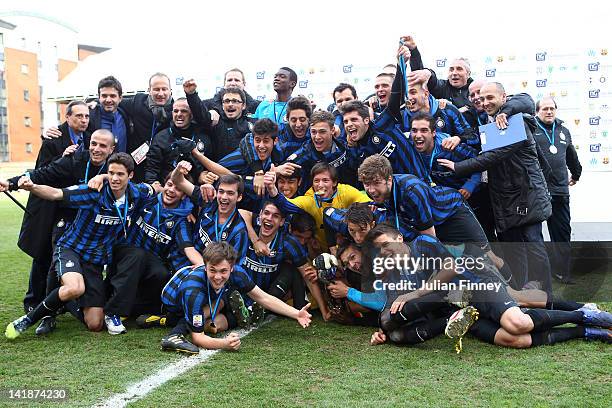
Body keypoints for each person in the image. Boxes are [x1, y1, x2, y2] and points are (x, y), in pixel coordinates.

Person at [5, 153, 155, 339]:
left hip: (95, 259)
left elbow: (156, 188)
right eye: (111, 173)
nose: (115, 178)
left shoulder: (136, 192)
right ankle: (28, 319)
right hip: (72, 249)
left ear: (130, 175)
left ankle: (65, 301)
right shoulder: (93, 192)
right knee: (75, 288)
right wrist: (32, 187)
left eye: (120, 174)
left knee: (95, 324)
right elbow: (55, 193)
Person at [437, 82, 553, 293]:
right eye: (482, 98)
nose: (486, 102)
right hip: (506, 198)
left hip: (526, 196)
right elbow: (471, 133)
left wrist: (458, 167)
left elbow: (494, 155)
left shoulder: (514, 120)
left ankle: (548, 299)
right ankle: (521, 297)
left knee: (533, 246)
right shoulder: (486, 118)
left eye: (491, 98)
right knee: (515, 251)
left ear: (504, 97)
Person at [2, 130, 116, 333]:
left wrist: (106, 176)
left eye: (102, 146)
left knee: (95, 321)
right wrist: (11, 183)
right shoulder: (75, 159)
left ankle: (71, 301)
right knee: (57, 257)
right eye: (94, 144)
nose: (97, 149)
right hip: (68, 218)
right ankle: (47, 315)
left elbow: (129, 179)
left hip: (95, 227)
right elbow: (43, 173)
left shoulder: (115, 166)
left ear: (111, 149)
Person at [158, 242, 311, 354]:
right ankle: (170, 326)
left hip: (211, 295)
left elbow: (263, 298)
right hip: (175, 305)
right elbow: (197, 338)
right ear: (205, 266)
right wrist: (224, 343)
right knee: (207, 319)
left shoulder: (237, 272)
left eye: (223, 271)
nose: (218, 276)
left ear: (232, 268)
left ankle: (235, 309)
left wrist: (296, 313)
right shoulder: (193, 290)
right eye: (212, 270)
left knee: (221, 309)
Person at [534, 97, 582, 283]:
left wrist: (576, 174)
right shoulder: (531, 129)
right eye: (545, 108)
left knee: (562, 234)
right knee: (533, 235)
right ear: (537, 111)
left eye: (552, 108)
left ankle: (562, 272)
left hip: (560, 191)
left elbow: (571, 156)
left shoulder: (563, 130)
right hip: (537, 192)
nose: (549, 112)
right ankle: (537, 274)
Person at [171, 161, 249, 261]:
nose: (224, 197)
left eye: (230, 193)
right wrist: (178, 169)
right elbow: (178, 180)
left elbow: (233, 268)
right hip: (186, 258)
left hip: (209, 273)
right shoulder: (208, 199)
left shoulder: (239, 232)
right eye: (221, 191)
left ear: (239, 197)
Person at [120, 72, 174, 182]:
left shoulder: (177, 110)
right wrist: (93, 104)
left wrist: (213, 111)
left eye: (164, 89)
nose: (161, 93)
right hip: (137, 166)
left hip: (163, 168)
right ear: (149, 90)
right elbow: (114, 102)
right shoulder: (137, 102)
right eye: (156, 89)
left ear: (170, 90)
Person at [144, 97, 210, 186]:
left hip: (195, 189)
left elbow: (211, 163)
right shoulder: (161, 137)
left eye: (184, 111)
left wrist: (205, 175)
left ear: (192, 114)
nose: (179, 114)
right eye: (175, 111)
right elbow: (151, 168)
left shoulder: (202, 136)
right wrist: (153, 184)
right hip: (169, 189)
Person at [184, 79, 255, 161]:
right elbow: (201, 115)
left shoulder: (252, 124)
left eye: (235, 101)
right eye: (227, 101)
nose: (230, 104)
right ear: (222, 105)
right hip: (218, 171)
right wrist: (192, 95)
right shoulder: (215, 122)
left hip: (245, 171)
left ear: (243, 106)